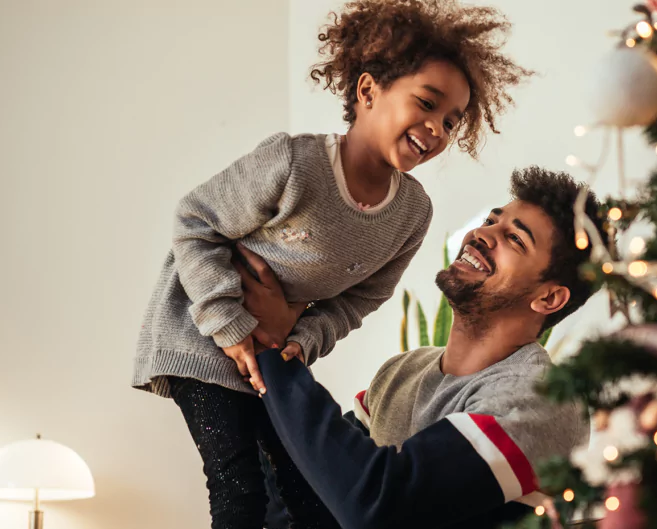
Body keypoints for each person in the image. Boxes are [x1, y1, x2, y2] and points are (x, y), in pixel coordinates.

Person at [130, 1, 530, 526]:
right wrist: (228, 324)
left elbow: (359, 299)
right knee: (239, 490)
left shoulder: (411, 213)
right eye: (426, 104)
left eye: (450, 121)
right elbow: (194, 221)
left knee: (310, 492)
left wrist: (301, 342)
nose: (436, 128)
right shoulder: (294, 163)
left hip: (273, 354)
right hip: (200, 339)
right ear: (367, 92)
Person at [235, 167, 608, 528]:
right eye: (493, 220)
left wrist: (274, 348)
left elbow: (379, 505)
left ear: (549, 298)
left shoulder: (544, 398)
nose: (483, 233)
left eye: (515, 239)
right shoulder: (401, 373)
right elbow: (314, 481)